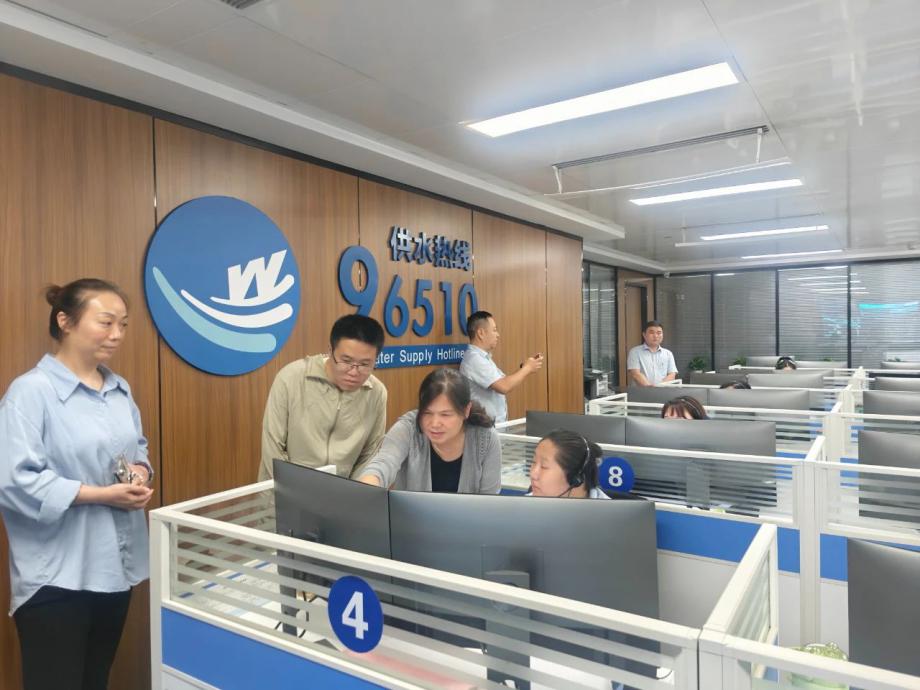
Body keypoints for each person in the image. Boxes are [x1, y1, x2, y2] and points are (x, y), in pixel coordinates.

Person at [0, 279, 154, 690]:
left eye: (123, 324)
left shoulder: (119, 389)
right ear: (65, 321)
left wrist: (141, 472)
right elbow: (14, 482)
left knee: (94, 681)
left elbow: (138, 449)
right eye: (106, 322)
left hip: (115, 570)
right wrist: (101, 495)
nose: (117, 334)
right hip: (57, 577)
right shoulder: (30, 392)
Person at [258, 314, 387, 481]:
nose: (354, 372)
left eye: (364, 364)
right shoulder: (291, 378)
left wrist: (354, 491)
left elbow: (370, 454)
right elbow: (273, 448)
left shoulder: (377, 393)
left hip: (341, 492)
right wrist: (287, 491)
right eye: (346, 361)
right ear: (330, 350)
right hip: (286, 489)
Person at [358, 368, 501, 493]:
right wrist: (368, 485)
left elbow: (489, 501)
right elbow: (384, 463)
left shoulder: (486, 439)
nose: (434, 424)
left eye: (445, 415)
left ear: (466, 410)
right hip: (410, 517)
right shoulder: (408, 429)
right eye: (427, 413)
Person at [459, 310, 543, 424]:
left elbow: (504, 381)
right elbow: (504, 386)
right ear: (481, 333)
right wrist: (527, 369)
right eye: (494, 330)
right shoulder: (474, 360)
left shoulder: (483, 357)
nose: (497, 335)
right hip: (484, 428)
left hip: (493, 427)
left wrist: (524, 367)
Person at [528, 430, 609, 499]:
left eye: (544, 466)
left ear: (575, 478)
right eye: (534, 462)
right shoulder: (524, 506)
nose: (532, 474)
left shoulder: (610, 512)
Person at [626, 321, 677, 387]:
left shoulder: (668, 354)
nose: (655, 336)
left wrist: (659, 387)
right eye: (651, 332)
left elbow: (672, 374)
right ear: (644, 335)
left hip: (662, 391)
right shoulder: (635, 352)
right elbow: (636, 374)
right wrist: (650, 388)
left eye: (659, 333)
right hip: (641, 392)